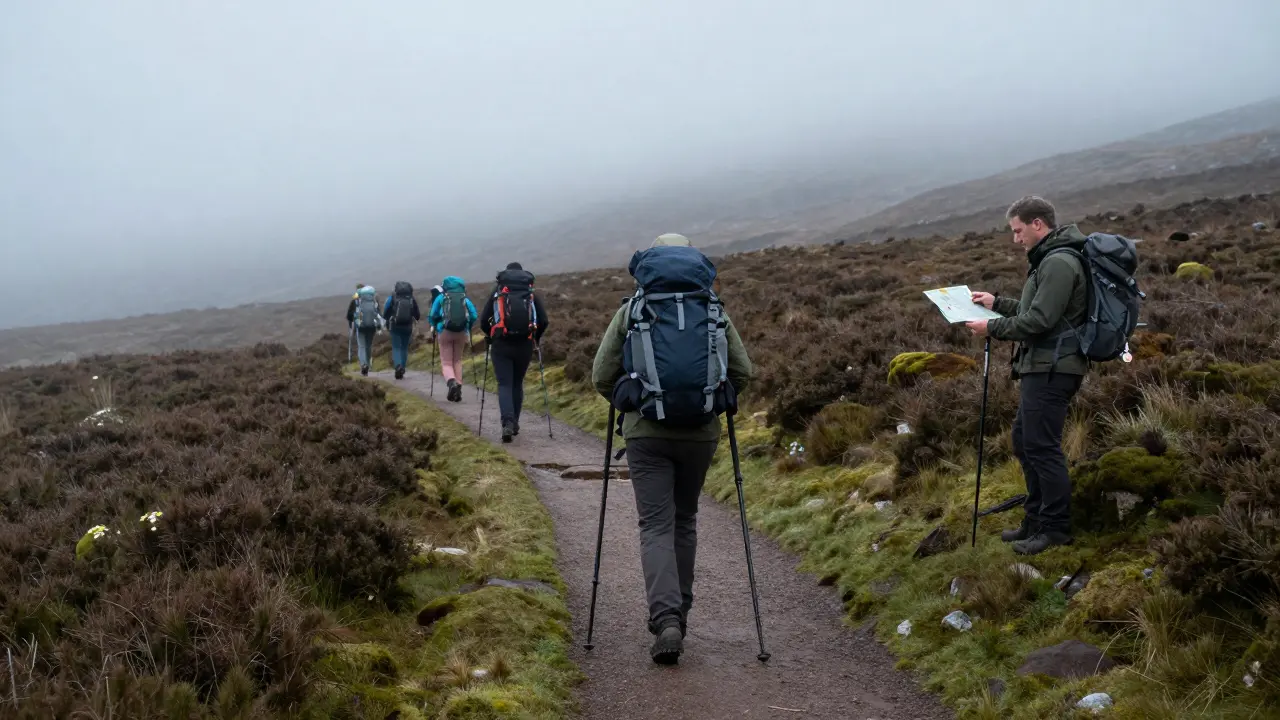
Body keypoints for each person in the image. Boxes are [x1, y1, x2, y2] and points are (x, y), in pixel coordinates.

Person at [590, 232, 753, 664]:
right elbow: (743, 371)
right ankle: (680, 610)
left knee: (655, 525)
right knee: (685, 519)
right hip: (701, 433)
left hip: (646, 434)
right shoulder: (713, 310)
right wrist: (717, 399)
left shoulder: (634, 309)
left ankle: (666, 622)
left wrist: (629, 400)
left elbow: (600, 374)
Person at [966, 195, 1089, 556]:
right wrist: (997, 304)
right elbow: (1037, 310)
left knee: (1042, 448)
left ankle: (1055, 529)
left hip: (1054, 367)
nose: (1016, 239)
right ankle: (1035, 520)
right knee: (1025, 441)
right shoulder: (1050, 259)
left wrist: (994, 328)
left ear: (1038, 224)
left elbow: (1040, 321)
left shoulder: (1060, 262)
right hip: (1042, 365)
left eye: (1018, 231)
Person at [479, 262, 548, 442]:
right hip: (524, 344)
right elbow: (544, 320)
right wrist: (535, 338)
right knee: (517, 383)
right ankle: (515, 422)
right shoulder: (530, 293)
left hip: (501, 343)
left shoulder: (499, 291)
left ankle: (507, 423)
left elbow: (483, 321)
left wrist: (491, 335)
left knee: (504, 384)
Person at [429, 275, 479, 402]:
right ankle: (458, 389)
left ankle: (452, 384)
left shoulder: (441, 297)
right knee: (457, 360)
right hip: (461, 332)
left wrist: (435, 326)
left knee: (446, 362)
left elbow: (433, 315)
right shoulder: (464, 299)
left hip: (444, 331)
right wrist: (468, 325)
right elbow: (473, 315)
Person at [382, 281, 420, 380]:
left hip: (395, 326)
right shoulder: (411, 299)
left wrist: (387, 319)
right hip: (407, 326)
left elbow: (386, 312)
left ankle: (398, 366)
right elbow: (417, 315)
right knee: (404, 347)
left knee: (396, 347)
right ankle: (402, 368)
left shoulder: (393, 297)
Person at [348, 285, 384, 376]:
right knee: (368, 346)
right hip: (372, 327)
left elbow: (350, 314)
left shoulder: (357, 301)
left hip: (360, 327)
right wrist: (379, 327)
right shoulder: (374, 301)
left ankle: (363, 365)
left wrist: (352, 324)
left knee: (361, 346)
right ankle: (368, 364)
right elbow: (378, 314)